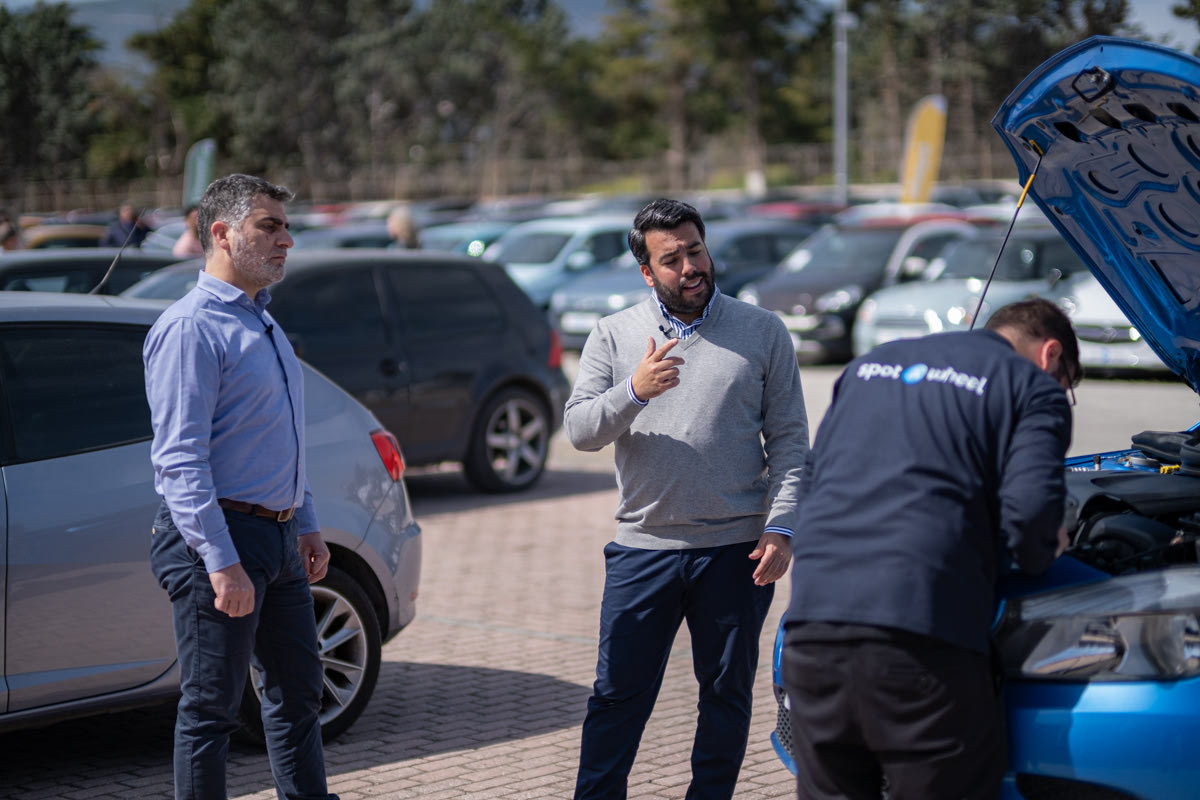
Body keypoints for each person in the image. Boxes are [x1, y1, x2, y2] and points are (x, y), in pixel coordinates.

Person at [780, 298, 1081, 800]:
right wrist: (1046, 548)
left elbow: (812, 492)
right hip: (922, 642)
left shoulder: (869, 366)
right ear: (1051, 355)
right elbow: (1031, 519)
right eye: (1066, 385)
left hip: (812, 635)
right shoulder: (1031, 386)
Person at [566, 197, 810, 800]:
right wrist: (633, 391)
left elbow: (789, 441)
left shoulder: (763, 331)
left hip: (736, 550)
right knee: (616, 696)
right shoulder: (613, 334)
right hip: (643, 550)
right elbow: (580, 431)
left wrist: (781, 528)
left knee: (726, 697)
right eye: (671, 260)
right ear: (647, 272)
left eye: (695, 251)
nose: (690, 267)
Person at [144, 174, 338, 800]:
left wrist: (305, 523)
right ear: (222, 233)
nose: (287, 240)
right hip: (219, 541)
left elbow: (282, 439)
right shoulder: (190, 328)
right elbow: (180, 460)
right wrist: (221, 562)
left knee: (298, 694)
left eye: (286, 226)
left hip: (277, 539)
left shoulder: (262, 321)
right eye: (269, 226)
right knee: (211, 709)